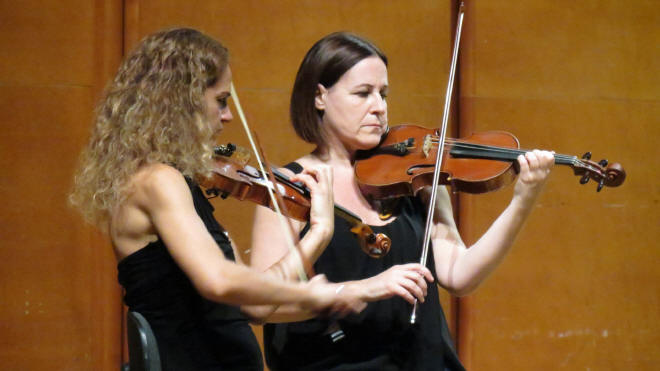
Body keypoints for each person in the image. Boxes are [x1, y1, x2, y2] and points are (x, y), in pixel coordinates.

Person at [250, 32, 555, 370]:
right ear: (321, 96)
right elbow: (263, 304)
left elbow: (459, 275)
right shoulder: (290, 186)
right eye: (363, 94)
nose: (379, 108)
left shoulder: (417, 178)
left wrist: (523, 199)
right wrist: (365, 288)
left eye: (384, 94)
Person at [69, 28, 368, 371]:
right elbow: (219, 281)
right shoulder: (156, 180)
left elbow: (253, 308)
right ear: (184, 101)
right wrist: (311, 294)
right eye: (221, 100)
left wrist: (318, 233)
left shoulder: (182, 184)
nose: (227, 116)